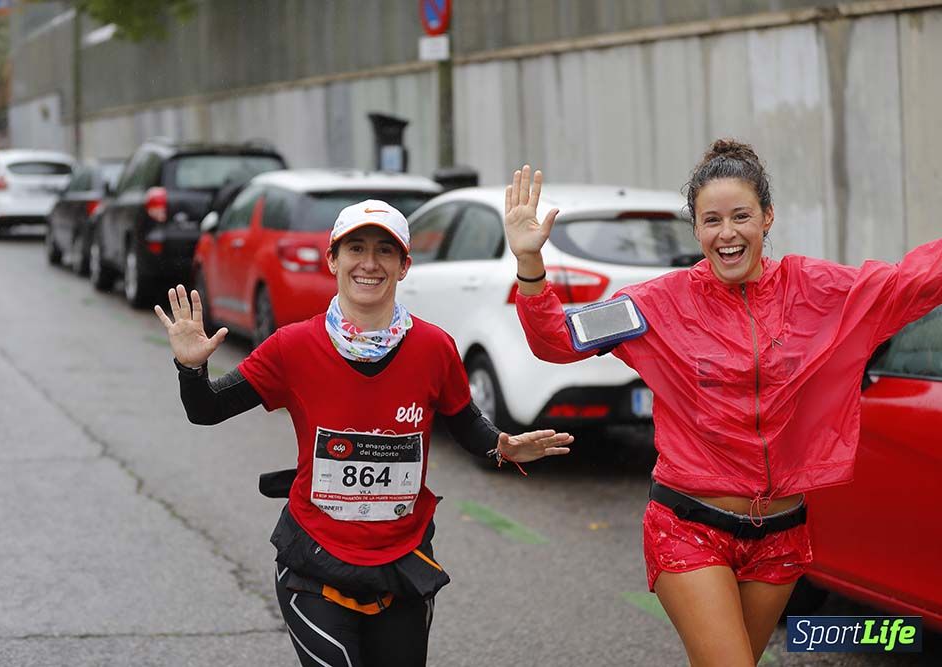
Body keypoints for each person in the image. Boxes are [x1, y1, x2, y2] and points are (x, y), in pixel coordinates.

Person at [505, 143, 942, 666]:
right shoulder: (656, 303)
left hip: (779, 536)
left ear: (768, 217)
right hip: (688, 527)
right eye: (712, 220)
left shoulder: (816, 287)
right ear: (696, 230)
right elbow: (557, 339)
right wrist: (530, 263)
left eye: (741, 216)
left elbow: (913, 283)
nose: (727, 233)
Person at [154, 200, 574, 667]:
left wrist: (501, 446)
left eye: (385, 251)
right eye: (356, 248)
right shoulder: (292, 346)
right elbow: (207, 410)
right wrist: (190, 368)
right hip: (315, 560)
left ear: (404, 266)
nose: (369, 263)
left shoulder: (434, 347)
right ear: (333, 259)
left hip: (403, 560)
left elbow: (464, 420)